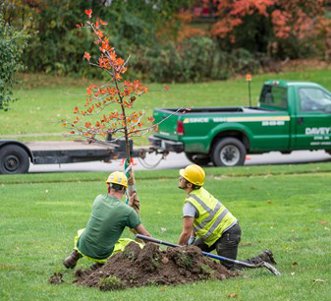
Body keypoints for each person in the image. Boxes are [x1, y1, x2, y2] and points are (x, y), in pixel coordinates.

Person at [177, 164, 275, 269]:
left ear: (189, 185)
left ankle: (262, 258)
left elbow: (186, 232)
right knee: (192, 255)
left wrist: (177, 249)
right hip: (214, 235)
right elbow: (198, 222)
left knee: (228, 269)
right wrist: (192, 239)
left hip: (228, 233)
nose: (180, 178)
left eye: (183, 178)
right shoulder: (200, 192)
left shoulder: (190, 204)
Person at [63, 171, 151, 269]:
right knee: (133, 245)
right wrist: (157, 251)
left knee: (83, 232)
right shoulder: (128, 212)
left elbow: (113, 210)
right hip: (103, 254)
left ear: (108, 187)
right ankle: (101, 265)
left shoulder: (98, 199)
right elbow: (146, 236)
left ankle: (74, 256)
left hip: (83, 246)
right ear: (124, 189)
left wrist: (128, 206)